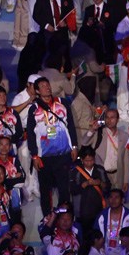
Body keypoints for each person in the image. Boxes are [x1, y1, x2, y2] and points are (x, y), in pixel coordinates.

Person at [25, 77, 78, 216]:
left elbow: (71, 125)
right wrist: (34, 156)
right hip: (44, 156)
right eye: (42, 86)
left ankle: (64, 217)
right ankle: (47, 219)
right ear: (37, 91)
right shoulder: (34, 109)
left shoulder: (63, 103)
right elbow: (30, 134)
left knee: (64, 189)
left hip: (63, 154)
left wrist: (74, 146)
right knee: (45, 190)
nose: (47, 87)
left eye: (47, 84)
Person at [93, 108, 129, 194]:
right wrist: (92, 130)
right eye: (107, 117)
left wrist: (126, 181)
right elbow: (85, 142)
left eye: (112, 117)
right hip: (103, 175)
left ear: (117, 119)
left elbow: (126, 161)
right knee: (103, 199)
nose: (109, 120)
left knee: (117, 198)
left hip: (118, 175)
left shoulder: (124, 136)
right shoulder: (99, 133)